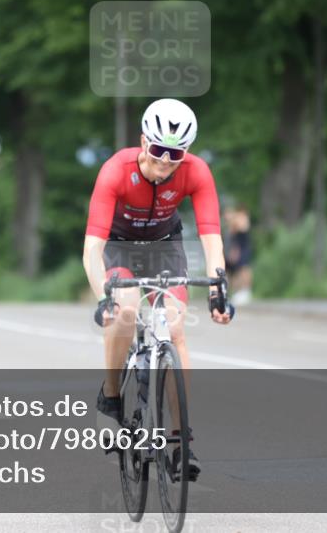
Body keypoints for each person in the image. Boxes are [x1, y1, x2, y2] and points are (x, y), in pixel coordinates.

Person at [83, 98, 235, 481]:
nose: (165, 162)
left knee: (176, 327)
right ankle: (111, 397)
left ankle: (181, 442)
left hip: (166, 247)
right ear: (143, 141)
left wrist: (218, 288)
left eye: (176, 154)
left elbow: (211, 237)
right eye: (158, 151)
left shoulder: (196, 172)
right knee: (125, 310)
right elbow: (92, 249)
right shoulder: (115, 170)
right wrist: (103, 296)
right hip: (119, 246)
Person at [225, 205, 253, 306]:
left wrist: (232, 217)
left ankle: (245, 291)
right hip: (236, 248)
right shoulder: (234, 222)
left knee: (243, 269)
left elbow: (239, 226)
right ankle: (237, 292)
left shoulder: (242, 219)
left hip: (243, 248)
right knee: (234, 272)